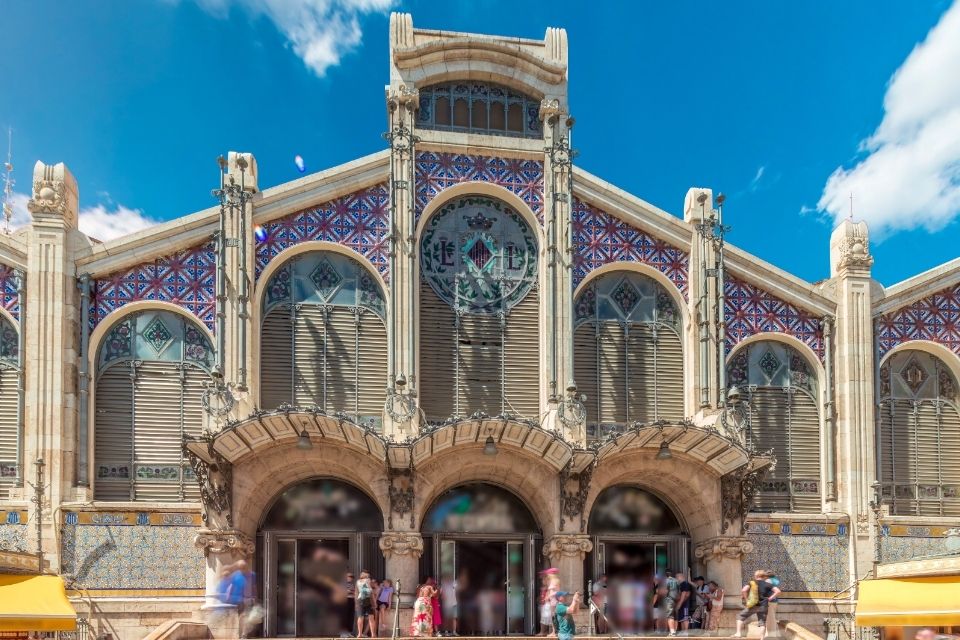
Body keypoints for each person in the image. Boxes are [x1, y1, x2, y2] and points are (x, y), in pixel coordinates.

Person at [733, 570, 781, 640]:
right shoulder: (767, 584)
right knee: (762, 622)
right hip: (763, 605)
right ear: (764, 577)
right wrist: (770, 598)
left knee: (740, 617)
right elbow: (778, 591)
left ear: (756, 576)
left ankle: (738, 633)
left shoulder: (751, 582)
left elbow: (743, 590)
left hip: (753, 604)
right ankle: (762, 638)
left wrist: (747, 600)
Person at [222, 560, 258, 639]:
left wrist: (255, 598)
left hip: (248, 599)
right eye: (241, 568)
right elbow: (231, 587)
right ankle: (241, 634)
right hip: (239, 600)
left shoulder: (252, 575)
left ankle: (244, 634)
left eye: (244, 567)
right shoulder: (236, 575)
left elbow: (254, 587)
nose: (243, 569)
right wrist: (228, 598)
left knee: (246, 616)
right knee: (242, 617)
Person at [538, 568, 560, 636]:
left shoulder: (556, 581)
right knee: (553, 617)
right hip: (551, 601)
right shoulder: (551, 581)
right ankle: (554, 632)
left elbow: (557, 591)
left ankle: (554, 632)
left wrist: (549, 595)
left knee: (554, 617)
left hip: (554, 601)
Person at [356, 571, 376, 638]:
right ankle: (373, 634)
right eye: (368, 575)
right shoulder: (367, 580)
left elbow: (357, 592)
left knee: (361, 617)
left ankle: (360, 634)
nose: (369, 576)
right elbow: (371, 592)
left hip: (360, 600)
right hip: (366, 600)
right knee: (371, 617)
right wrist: (374, 603)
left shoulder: (358, 582)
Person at [662, 571, 679, 636]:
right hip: (675, 600)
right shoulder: (677, 581)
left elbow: (665, 591)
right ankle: (674, 631)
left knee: (670, 616)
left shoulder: (666, 581)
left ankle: (672, 632)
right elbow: (679, 592)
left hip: (669, 600)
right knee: (675, 616)